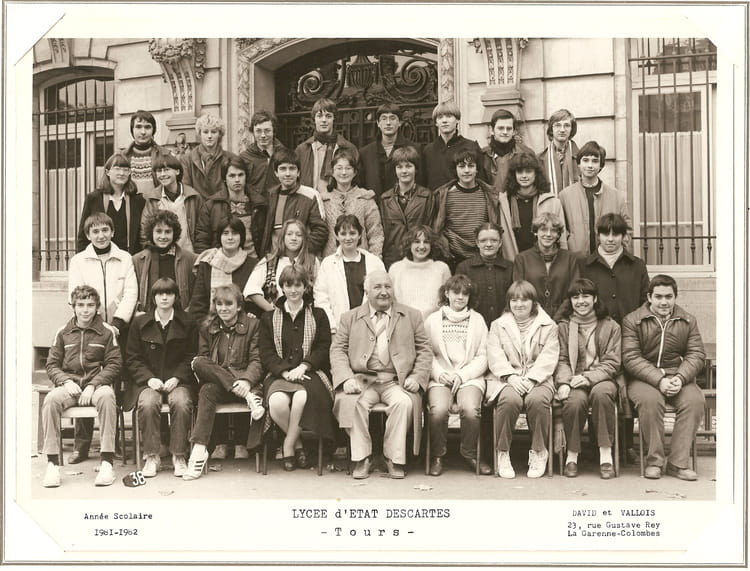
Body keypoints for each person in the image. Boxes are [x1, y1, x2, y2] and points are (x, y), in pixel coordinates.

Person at [330, 270, 431, 479]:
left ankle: (392, 458)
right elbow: (337, 350)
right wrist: (346, 378)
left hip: (396, 381)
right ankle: (362, 458)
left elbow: (424, 350)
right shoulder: (349, 318)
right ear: (366, 291)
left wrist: (416, 376)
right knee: (353, 403)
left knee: (404, 403)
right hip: (362, 381)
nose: (384, 292)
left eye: (387, 286)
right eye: (377, 287)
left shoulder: (412, 316)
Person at [66, 212, 138, 464]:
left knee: (111, 383)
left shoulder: (125, 258)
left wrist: (116, 324)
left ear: (113, 232)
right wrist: (96, 323)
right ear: (88, 235)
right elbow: (76, 294)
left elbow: (131, 293)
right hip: (88, 328)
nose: (100, 235)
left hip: (119, 329)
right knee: (83, 377)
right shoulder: (78, 261)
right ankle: (82, 445)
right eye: (95, 231)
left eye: (105, 230)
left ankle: (112, 442)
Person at [622, 274, 706, 481]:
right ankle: (654, 462)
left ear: (675, 297)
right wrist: (659, 380)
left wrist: (680, 377)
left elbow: (696, 354)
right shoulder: (633, 320)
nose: (664, 302)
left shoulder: (687, 320)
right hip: (643, 378)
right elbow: (631, 357)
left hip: (677, 375)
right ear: (649, 297)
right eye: (658, 296)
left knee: (695, 401)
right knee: (650, 402)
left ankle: (678, 463)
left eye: (669, 296)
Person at [579, 213, 649, 461]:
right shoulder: (585, 265)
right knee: (600, 386)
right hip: (596, 335)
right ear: (597, 235)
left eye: (616, 234)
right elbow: (579, 297)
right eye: (605, 233)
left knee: (624, 387)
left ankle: (626, 444)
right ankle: (597, 443)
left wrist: (636, 327)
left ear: (623, 236)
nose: (610, 239)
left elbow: (644, 301)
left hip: (630, 336)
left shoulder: (636, 265)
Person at [183, 284, 265, 480]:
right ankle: (199, 450)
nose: (223, 308)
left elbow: (257, 360)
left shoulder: (253, 325)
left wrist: (246, 381)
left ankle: (246, 392)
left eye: (228, 304)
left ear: (239, 306)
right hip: (225, 387)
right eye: (219, 304)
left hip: (246, 382)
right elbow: (204, 362)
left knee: (207, 385)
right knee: (199, 365)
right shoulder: (207, 327)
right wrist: (238, 386)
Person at [41, 285, 121, 487]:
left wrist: (93, 385)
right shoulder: (63, 332)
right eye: (81, 305)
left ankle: (107, 463)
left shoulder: (107, 332)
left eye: (90, 305)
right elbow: (51, 364)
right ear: (73, 307)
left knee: (107, 396)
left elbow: (114, 364)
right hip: (70, 387)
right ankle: (52, 465)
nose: (85, 310)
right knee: (50, 400)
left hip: (96, 386)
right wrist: (65, 381)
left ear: (97, 307)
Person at [258, 266, 335, 471]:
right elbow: (266, 352)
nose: (293, 290)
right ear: (282, 287)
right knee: (276, 403)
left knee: (302, 397)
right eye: (288, 285)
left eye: (298, 285)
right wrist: (283, 371)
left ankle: (288, 447)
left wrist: (304, 365)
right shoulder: (268, 318)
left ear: (305, 287)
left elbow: (323, 347)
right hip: (279, 374)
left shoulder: (318, 315)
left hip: (310, 373)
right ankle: (299, 444)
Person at [125, 278, 198, 477]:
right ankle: (151, 456)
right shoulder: (139, 323)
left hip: (179, 381)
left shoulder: (188, 322)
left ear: (176, 297)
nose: (164, 297)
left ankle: (179, 456)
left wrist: (177, 377)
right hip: (148, 382)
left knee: (181, 402)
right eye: (159, 293)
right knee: (148, 403)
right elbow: (132, 358)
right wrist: (149, 379)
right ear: (153, 297)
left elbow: (193, 355)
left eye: (169, 293)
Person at [486, 280, 559, 479]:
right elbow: (495, 355)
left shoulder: (549, 325)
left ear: (533, 302)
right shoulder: (497, 325)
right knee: (509, 400)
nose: (519, 304)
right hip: (508, 379)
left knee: (538, 400)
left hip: (539, 379)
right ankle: (502, 452)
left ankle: (539, 451)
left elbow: (549, 356)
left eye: (524, 300)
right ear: (508, 302)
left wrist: (533, 379)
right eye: (514, 300)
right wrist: (511, 376)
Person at [424, 274, 492, 476]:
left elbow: (483, 356)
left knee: (471, 410)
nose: (460, 297)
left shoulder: (478, 320)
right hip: (441, 377)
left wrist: (462, 375)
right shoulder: (432, 320)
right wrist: (439, 374)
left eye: (465, 293)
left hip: (469, 377)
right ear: (446, 293)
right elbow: (426, 353)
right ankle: (438, 455)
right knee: (438, 411)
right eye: (455, 292)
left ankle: (469, 453)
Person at [554, 278, 621, 479]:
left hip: (603, 378)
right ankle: (572, 455)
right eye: (576, 297)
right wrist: (564, 382)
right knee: (574, 402)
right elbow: (562, 358)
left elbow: (613, 362)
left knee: (602, 396)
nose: (581, 301)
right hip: (574, 378)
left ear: (595, 299)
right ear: (570, 301)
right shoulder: (564, 326)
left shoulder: (611, 326)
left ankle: (605, 454)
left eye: (586, 296)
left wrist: (590, 378)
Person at [433, 149, 516, 269]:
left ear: (477, 169)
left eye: (471, 166)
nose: (466, 170)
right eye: (461, 166)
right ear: (455, 169)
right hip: (452, 257)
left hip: (482, 256)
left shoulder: (489, 194)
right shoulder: (444, 195)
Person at [314, 214, 385, 332]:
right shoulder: (328, 264)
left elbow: (383, 296)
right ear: (337, 236)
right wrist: (332, 329)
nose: (348, 238)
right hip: (339, 329)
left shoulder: (374, 263)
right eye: (343, 234)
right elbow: (321, 299)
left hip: (371, 329)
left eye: (352, 233)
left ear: (360, 235)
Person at [559, 141, 631, 255]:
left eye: (595, 161)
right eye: (585, 160)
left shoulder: (616, 197)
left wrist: (618, 255)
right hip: (576, 259)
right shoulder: (564, 196)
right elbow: (560, 229)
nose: (590, 165)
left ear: (601, 165)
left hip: (607, 260)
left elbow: (626, 230)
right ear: (579, 164)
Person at [257, 148, 328, 258]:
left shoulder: (311, 195)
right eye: (283, 169)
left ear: (298, 172)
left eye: (292, 168)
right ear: (276, 173)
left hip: (301, 259)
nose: (288, 173)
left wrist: (301, 251)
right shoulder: (270, 196)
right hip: (275, 259)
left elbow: (321, 232)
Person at [244, 219, 320, 315]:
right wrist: (273, 311)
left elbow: (320, 293)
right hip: (275, 317)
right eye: (289, 234)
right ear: (283, 237)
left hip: (305, 316)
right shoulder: (269, 261)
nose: (294, 238)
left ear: (304, 239)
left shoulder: (312, 261)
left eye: (299, 235)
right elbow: (251, 289)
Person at [189, 216, 257, 323]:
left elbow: (253, 304)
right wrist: (204, 327)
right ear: (219, 237)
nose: (230, 237)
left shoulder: (252, 265)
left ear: (242, 236)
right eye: (225, 233)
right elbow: (198, 304)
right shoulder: (207, 263)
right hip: (209, 325)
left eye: (235, 233)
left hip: (242, 327)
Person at [512, 212, 579, 319]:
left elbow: (574, 291)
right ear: (535, 232)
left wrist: (557, 318)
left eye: (553, 230)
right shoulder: (522, 259)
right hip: (532, 318)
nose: (548, 234)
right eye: (543, 229)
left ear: (558, 234)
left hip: (564, 318)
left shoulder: (570, 258)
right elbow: (520, 293)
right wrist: (539, 318)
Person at [379, 145, 437, 269]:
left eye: (408, 166)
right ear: (395, 170)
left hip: (420, 257)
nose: (404, 171)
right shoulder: (385, 199)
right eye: (399, 167)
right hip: (393, 259)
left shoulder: (427, 196)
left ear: (416, 169)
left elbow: (430, 228)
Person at [76, 153, 146, 255]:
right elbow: (83, 235)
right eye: (117, 169)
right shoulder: (94, 199)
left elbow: (143, 235)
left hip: (130, 258)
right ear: (107, 172)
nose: (122, 173)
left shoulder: (137, 201)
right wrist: (83, 259)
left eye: (126, 170)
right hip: (100, 258)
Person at [320, 149, 384, 258]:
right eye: (339, 168)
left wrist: (374, 260)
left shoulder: (365, 198)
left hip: (361, 260)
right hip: (331, 260)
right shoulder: (324, 200)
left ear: (354, 172)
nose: (344, 172)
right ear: (332, 172)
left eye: (348, 168)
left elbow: (375, 233)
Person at [193, 154, 260, 258]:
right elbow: (202, 240)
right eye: (232, 176)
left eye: (240, 175)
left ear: (246, 176)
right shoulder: (212, 205)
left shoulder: (259, 204)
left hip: (253, 261)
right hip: (222, 262)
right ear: (224, 178)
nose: (237, 180)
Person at [133, 210, 196, 314]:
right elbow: (132, 293)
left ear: (174, 233)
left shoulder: (190, 259)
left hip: (180, 318)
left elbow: (197, 296)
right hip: (148, 318)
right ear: (151, 233)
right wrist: (138, 313)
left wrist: (186, 316)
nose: (163, 236)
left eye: (167, 232)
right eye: (158, 231)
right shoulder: (138, 260)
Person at [504, 151, 567, 253]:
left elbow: (561, 236)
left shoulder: (552, 201)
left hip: (544, 258)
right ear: (514, 174)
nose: (524, 176)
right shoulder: (505, 201)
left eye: (528, 171)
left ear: (536, 174)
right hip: (514, 257)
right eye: (520, 172)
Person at [358, 103, 423, 201]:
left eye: (392, 118)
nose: (388, 123)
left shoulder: (414, 148)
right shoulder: (365, 153)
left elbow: (420, 181)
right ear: (378, 123)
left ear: (400, 122)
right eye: (384, 118)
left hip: (405, 205)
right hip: (374, 206)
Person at [140, 153, 203, 253]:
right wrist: (153, 253)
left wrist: (198, 253)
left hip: (189, 253)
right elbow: (145, 230)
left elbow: (202, 229)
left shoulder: (193, 197)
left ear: (177, 171)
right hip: (162, 255)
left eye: (166, 170)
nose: (162, 174)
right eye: (159, 171)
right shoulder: (153, 198)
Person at [294, 97, 359, 193]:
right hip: (309, 200)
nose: (324, 120)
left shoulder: (349, 148)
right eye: (319, 116)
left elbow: (356, 181)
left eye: (328, 116)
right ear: (314, 119)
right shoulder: (302, 150)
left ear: (334, 118)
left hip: (339, 200)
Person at [455, 222, 514, 328]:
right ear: (477, 243)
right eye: (483, 240)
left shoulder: (510, 268)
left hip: (504, 326)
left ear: (500, 242)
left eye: (494, 240)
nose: (488, 244)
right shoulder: (464, 268)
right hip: (473, 327)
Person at [388, 225, 451, 319]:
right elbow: (391, 303)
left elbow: (447, 303)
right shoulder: (396, 269)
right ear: (409, 244)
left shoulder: (441, 268)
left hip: (434, 324)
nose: (421, 246)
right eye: (416, 241)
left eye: (426, 242)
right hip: (404, 323)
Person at [422, 102, 486, 190]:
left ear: (457, 120)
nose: (444, 120)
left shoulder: (471, 147)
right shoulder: (428, 150)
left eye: (449, 116)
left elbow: (481, 180)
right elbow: (423, 183)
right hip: (435, 198)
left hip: (463, 197)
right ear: (436, 123)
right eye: (440, 117)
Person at [480, 109, 535, 194]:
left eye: (509, 129)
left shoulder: (526, 154)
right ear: (492, 130)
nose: (505, 132)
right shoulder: (482, 155)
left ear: (514, 131)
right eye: (501, 128)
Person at [181, 113, 233, 200]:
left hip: (221, 204)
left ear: (219, 134)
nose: (209, 136)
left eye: (213, 132)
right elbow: (186, 188)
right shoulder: (187, 160)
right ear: (199, 133)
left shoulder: (230, 158)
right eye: (205, 132)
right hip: (197, 205)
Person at [239, 110, 289, 198]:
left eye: (267, 131)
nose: (263, 135)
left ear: (274, 131)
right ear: (252, 132)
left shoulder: (285, 155)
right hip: (254, 205)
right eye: (258, 131)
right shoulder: (244, 158)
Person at [122, 110, 172, 195]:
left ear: (153, 130)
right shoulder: (122, 157)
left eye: (147, 127)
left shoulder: (165, 155)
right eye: (138, 127)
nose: (143, 132)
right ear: (132, 130)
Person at [538, 108, 580, 195]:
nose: (562, 130)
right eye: (557, 125)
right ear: (551, 129)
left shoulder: (580, 157)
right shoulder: (539, 159)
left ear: (572, 129)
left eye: (567, 125)